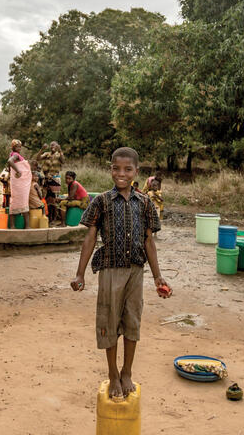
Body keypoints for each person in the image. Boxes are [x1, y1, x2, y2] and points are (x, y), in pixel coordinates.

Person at [71, 147, 170, 399]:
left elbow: (149, 241)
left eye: (127, 169)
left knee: (132, 322)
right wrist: (80, 274)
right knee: (109, 322)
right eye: (116, 168)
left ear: (137, 172)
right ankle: (113, 373)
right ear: (110, 169)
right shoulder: (101, 201)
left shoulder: (146, 203)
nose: (121, 174)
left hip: (136, 272)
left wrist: (158, 276)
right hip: (110, 271)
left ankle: (127, 371)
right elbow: (90, 237)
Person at [36, 142, 65, 222]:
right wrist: (41, 149)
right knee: (46, 197)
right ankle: (49, 217)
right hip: (46, 178)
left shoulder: (59, 155)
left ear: (57, 146)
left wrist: (60, 150)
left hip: (55, 178)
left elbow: (63, 161)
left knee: (54, 199)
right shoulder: (47, 154)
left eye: (54, 145)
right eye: (51, 145)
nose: (52, 146)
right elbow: (38, 158)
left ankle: (55, 218)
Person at [6, 140, 32, 227]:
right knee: (23, 203)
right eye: (17, 146)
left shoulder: (13, 154)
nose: (19, 148)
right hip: (20, 184)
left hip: (17, 183)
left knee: (15, 202)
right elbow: (10, 161)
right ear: (13, 147)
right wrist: (18, 171)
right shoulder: (15, 155)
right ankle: (27, 226)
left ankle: (13, 226)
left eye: (20, 146)